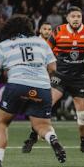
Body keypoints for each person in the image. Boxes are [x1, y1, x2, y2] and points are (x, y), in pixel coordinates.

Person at [0, 15, 66, 167]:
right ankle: (52, 138)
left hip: (17, 85)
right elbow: (54, 69)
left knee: (2, 122)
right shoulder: (41, 43)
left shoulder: (4, 45)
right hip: (41, 87)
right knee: (42, 125)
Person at [21, 7, 84, 153]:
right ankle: (32, 137)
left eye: (79, 16)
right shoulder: (58, 31)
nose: (76, 19)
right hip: (59, 77)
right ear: (67, 18)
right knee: (45, 105)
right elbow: (46, 51)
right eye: (73, 16)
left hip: (80, 78)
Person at [20, 22, 54, 153]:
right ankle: (34, 137)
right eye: (44, 29)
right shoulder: (36, 43)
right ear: (39, 30)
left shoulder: (52, 44)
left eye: (49, 29)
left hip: (47, 81)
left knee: (40, 111)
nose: (47, 31)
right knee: (37, 112)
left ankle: (32, 138)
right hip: (35, 81)